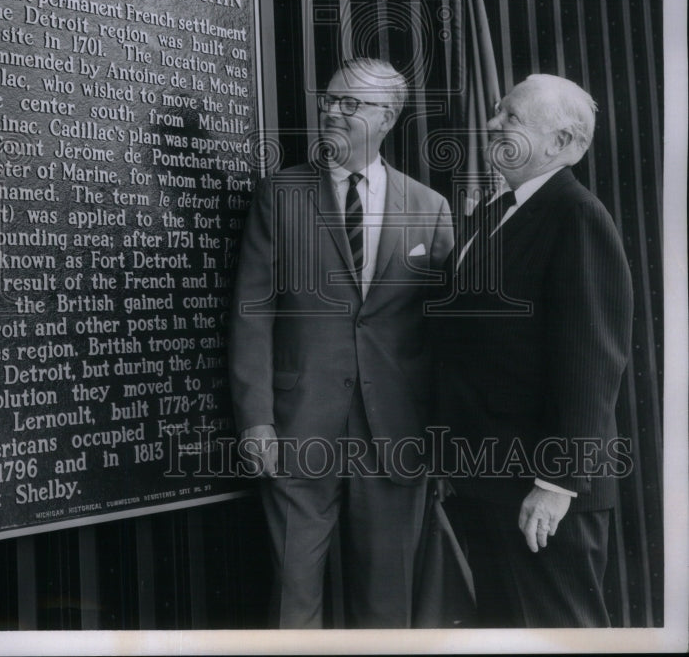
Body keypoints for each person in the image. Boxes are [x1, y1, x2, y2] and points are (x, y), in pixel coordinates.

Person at [228, 57, 453, 628]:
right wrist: (257, 420)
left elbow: (444, 332)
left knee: (388, 605)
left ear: (387, 118)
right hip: (297, 429)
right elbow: (252, 317)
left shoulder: (430, 208)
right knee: (293, 599)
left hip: (397, 437)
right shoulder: (279, 195)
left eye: (350, 104)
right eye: (329, 99)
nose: (331, 111)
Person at [433, 73, 634, 628]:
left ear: (562, 143)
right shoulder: (494, 214)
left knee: (559, 636)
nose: (493, 123)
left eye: (512, 116)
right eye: (497, 110)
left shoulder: (577, 218)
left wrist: (556, 484)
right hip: (486, 482)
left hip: (538, 493)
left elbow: (592, 362)